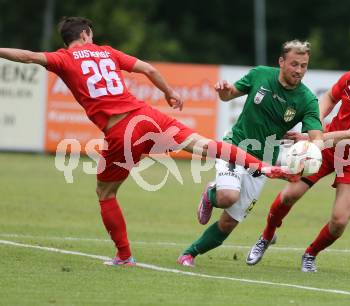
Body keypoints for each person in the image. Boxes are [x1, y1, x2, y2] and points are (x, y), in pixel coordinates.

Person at [0, 16, 294, 266]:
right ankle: (264, 167)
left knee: (106, 193)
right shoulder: (106, 52)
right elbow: (148, 69)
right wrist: (169, 92)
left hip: (120, 132)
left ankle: (125, 255)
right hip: (147, 116)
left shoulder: (62, 58)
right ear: (86, 35)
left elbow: (27, 56)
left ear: (68, 39)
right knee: (203, 145)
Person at [246, 45, 350, 272]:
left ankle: (310, 254)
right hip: (325, 148)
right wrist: (312, 126)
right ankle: (266, 236)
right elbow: (327, 99)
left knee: (339, 222)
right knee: (289, 195)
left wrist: (312, 137)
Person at [177, 40, 323, 267]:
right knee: (228, 197)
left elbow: (317, 136)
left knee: (229, 223)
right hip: (235, 146)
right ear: (281, 61)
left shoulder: (306, 99)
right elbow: (228, 95)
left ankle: (189, 253)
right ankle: (212, 194)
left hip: (263, 162)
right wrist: (224, 92)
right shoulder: (260, 75)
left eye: (304, 65)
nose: (299, 70)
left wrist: (312, 147)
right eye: (294, 64)